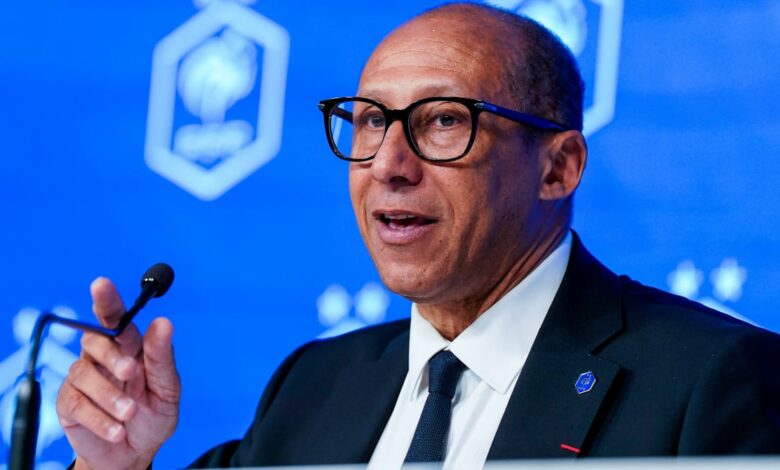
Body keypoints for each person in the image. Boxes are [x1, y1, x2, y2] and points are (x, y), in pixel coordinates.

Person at [56, 3, 780, 469]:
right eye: (372, 120)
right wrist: (117, 462)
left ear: (557, 168)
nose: (388, 165)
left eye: (443, 121)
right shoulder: (315, 384)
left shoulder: (714, 381)